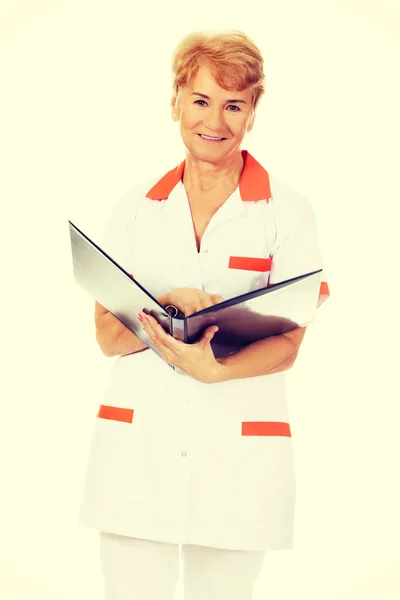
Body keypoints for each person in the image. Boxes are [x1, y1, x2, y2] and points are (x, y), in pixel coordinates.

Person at [78, 30, 329, 600]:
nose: (215, 120)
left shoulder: (286, 213)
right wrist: (173, 305)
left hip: (240, 456)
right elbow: (107, 337)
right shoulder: (137, 208)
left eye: (234, 104)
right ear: (175, 102)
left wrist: (215, 370)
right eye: (201, 100)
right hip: (137, 454)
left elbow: (290, 342)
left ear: (253, 112)